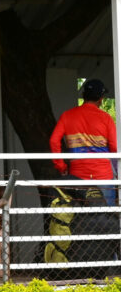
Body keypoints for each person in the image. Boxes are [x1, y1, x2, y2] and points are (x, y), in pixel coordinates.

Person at [50, 78, 118, 206]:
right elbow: (114, 147)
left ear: (83, 95)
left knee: (82, 219)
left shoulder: (67, 116)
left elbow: (54, 141)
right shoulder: (106, 118)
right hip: (103, 175)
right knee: (107, 219)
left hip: (78, 176)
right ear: (101, 98)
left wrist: (61, 166)